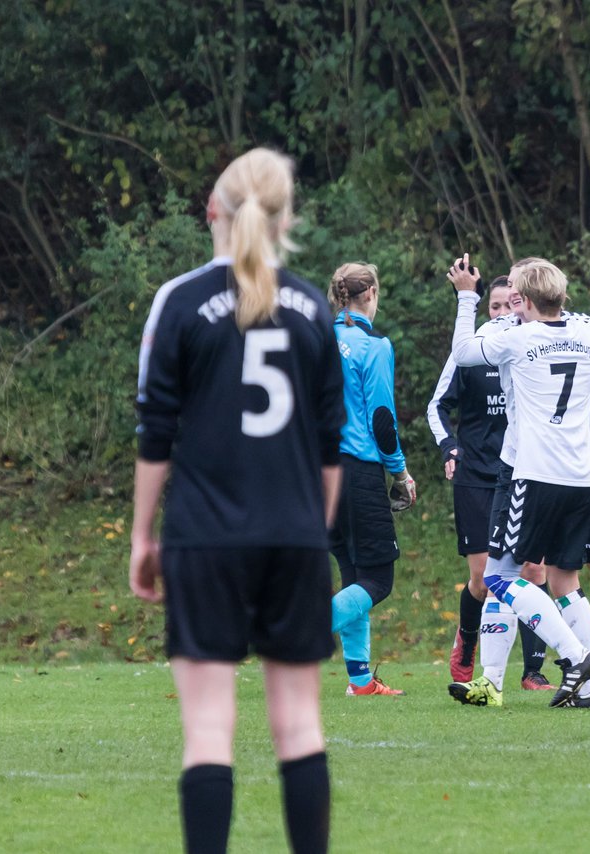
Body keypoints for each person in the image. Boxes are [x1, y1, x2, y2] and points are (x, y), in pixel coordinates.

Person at [130, 147, 343, 854]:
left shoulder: (183, 300)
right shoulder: (316, 306)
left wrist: (142, 537)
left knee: (210, 730)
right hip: (294, 536)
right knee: (299, 726)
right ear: (288, 220)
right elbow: (329, 446)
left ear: (213, 212)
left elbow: (156, 432)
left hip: (204, 538)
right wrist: (318, 532)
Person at [446, 235, 590, 708]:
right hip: (581, 475)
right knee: (561, 580)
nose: (510, 300)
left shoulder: (514, 338)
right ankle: (579, 688)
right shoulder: (583, 330)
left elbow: (461, 354)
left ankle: (578, 657)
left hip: (533, 476)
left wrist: (465, 297)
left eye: (516, 293)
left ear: (528, 299)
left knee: (500, 576)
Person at [426, 277, 554, 691]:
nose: (502, 313)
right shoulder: (472, 352)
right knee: (484, 580)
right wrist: (449, 446)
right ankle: (467, 641)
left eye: (508, 306)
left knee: (535, 569)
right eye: (494, 306)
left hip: (524, 473)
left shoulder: (528, 351)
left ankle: (533, 671)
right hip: (477, 478)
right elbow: (437, 405)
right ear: (486, 311)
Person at [326, 262, 416, 697]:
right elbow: (382, 419)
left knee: (354, 574)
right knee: (378, 580)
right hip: (356, 471)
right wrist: (399, 472)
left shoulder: (315, 339)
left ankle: (360, 680)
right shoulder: (373, 345)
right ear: (371, 295)